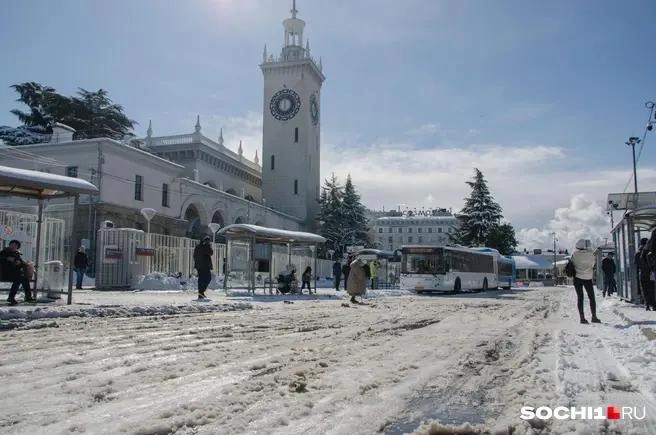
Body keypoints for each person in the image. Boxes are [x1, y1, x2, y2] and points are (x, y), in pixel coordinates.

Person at [570, 239, 600, 324]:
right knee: (591, 298)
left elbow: (572, 263)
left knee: (580, 298)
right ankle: (594, 317)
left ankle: (582, 318)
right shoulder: (591, 254)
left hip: (577, 278)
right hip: (588, 278)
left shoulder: (574, 254)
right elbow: (593, 264)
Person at [0, 240, 34, 305]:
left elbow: (22, 263)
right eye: (12, 245)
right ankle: (11, 297)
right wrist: (7, 258)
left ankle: (28, 296)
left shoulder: (17, 254)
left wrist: (20, 263)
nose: (13, 246)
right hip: (4, 273)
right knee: (18, 279)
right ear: (9, 245)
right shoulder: (4, 252)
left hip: (14, 274)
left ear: (17, 247)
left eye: (15, 245)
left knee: (25, 279)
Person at [640, 232, 656, 311]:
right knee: (651, 289)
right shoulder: (648, 251)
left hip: (646, 273)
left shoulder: (643, 251)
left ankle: (648, 304)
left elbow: (640, 263)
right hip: (649, 273)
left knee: (647, 289)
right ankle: (651, 304)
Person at [636, 238, 648, 304]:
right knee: (648, 287)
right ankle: (647, 302)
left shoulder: (638, 253)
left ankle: (645, 301)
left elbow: (637, 264)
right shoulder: (649, 251)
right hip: (647, 272)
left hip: (642, 272)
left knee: (643, 287)